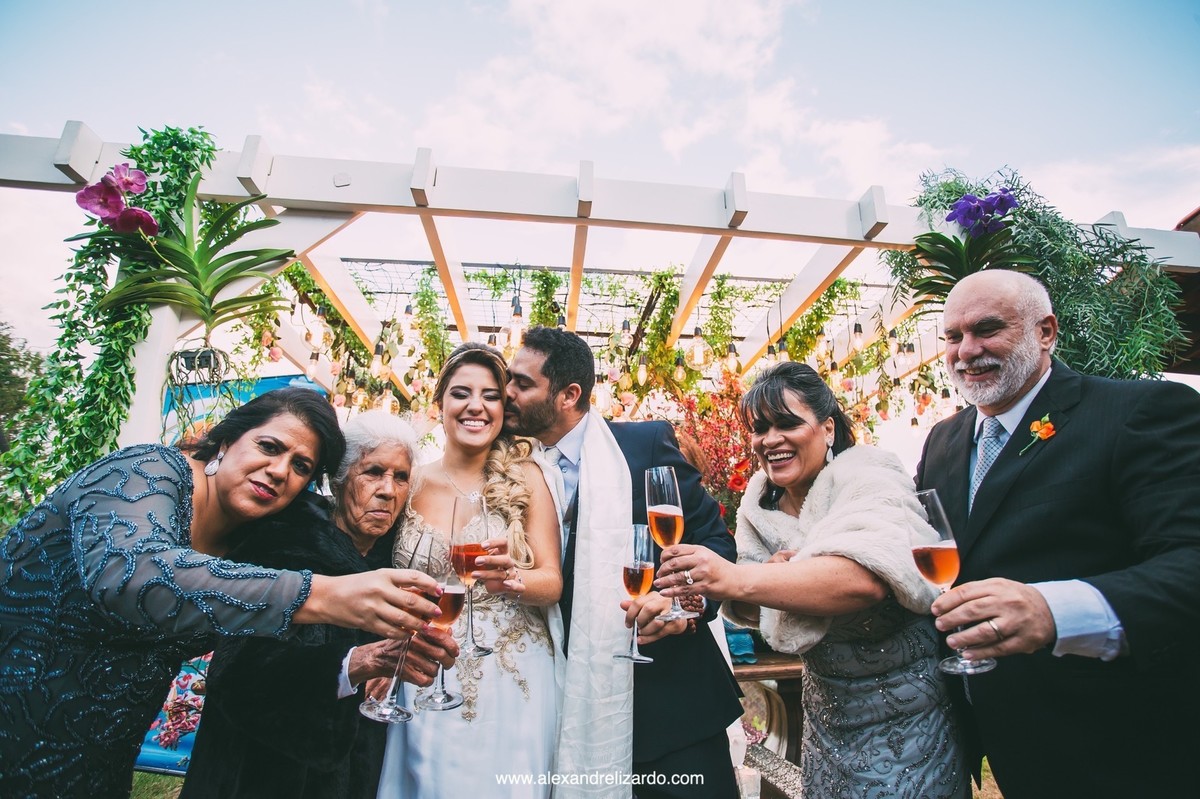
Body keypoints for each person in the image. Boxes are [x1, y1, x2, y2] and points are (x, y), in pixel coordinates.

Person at [0, 388, 444, 799]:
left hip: (97, 758)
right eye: (270, 447)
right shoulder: (148, 471)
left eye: (301, 467)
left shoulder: (252, 543)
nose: (279, 470)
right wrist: (321, 595)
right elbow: (129, 577)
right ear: (227, 441)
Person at [916, 270, 1200, 798]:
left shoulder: (1138, 412)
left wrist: (1054, 611)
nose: (966, 351)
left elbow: (1190, 561)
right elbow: (920, 537)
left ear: (1046, 331)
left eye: (987, 329)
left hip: (1118, 748)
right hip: (1004, 745)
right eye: (953, 337)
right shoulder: (944, 440)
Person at [657, 361, 968, 798]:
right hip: (825, 715)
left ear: (827, 428)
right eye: (759, 428)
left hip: (905, 716)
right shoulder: (758, 503)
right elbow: (757, 603)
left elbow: (866, 579)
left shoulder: (870, 476)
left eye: (787, 424)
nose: (770, 440)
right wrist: (766, 578)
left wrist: (738, 580)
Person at [504, 327, 742, 799]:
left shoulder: (643, 446)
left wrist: (680, 607)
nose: (507, 393)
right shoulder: (508, 466)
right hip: (564, 707)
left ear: (569, 395)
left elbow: (715, 543)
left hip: (671, 706)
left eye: (522, 384)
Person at [180, 410, 459, 798]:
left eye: (400, 477)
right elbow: (237, 678)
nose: (388, 490)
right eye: (373, 472)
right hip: (260, 775)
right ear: (338, 480)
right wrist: (357, 664)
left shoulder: (390, 560)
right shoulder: (284, 545)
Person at [377, 342, 562, 799]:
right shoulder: (407, 481)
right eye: (461, 393)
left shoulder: (527, 478)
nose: (475, 406)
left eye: (491, 395)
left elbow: (553, 582)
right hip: (424, 667)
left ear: (504, 408)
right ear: (439, 403)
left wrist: (513, 580)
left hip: (513, 674)